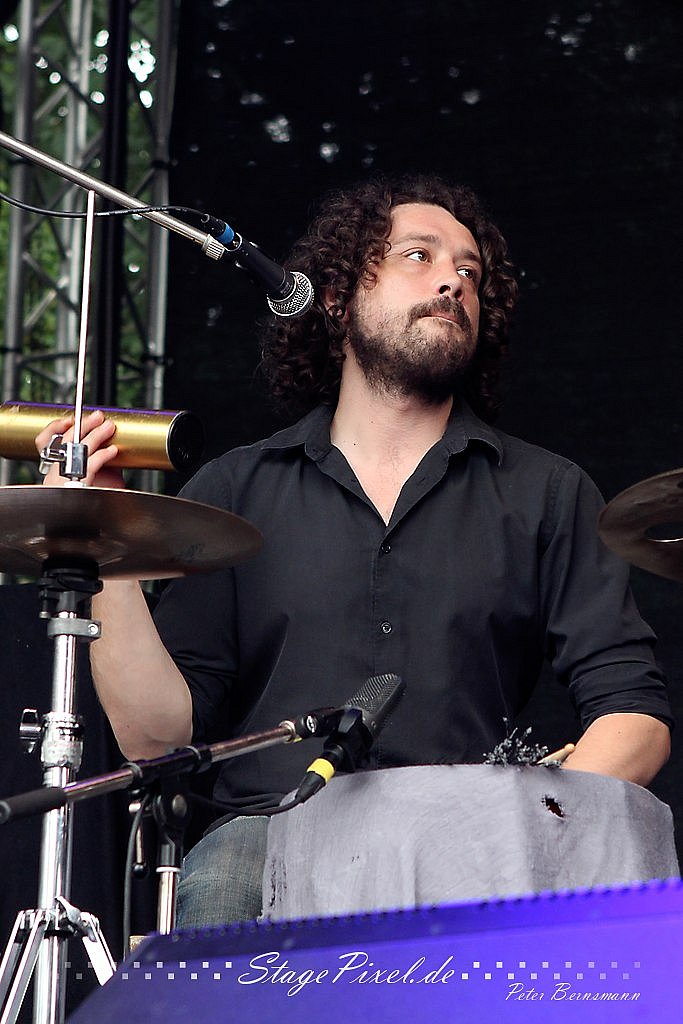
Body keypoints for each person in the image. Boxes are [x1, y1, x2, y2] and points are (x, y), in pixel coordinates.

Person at [37, 174, 673, 927]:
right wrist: (99, 531)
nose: (452, 281)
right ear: (336, 297)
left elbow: (634, 715)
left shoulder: (547, 491)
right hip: (272, 833)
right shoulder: (236, 489)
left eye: (470, 272)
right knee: (228, 874)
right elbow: (157, 737)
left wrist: (526, 827)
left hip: (467, 842)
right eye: (419, 256)